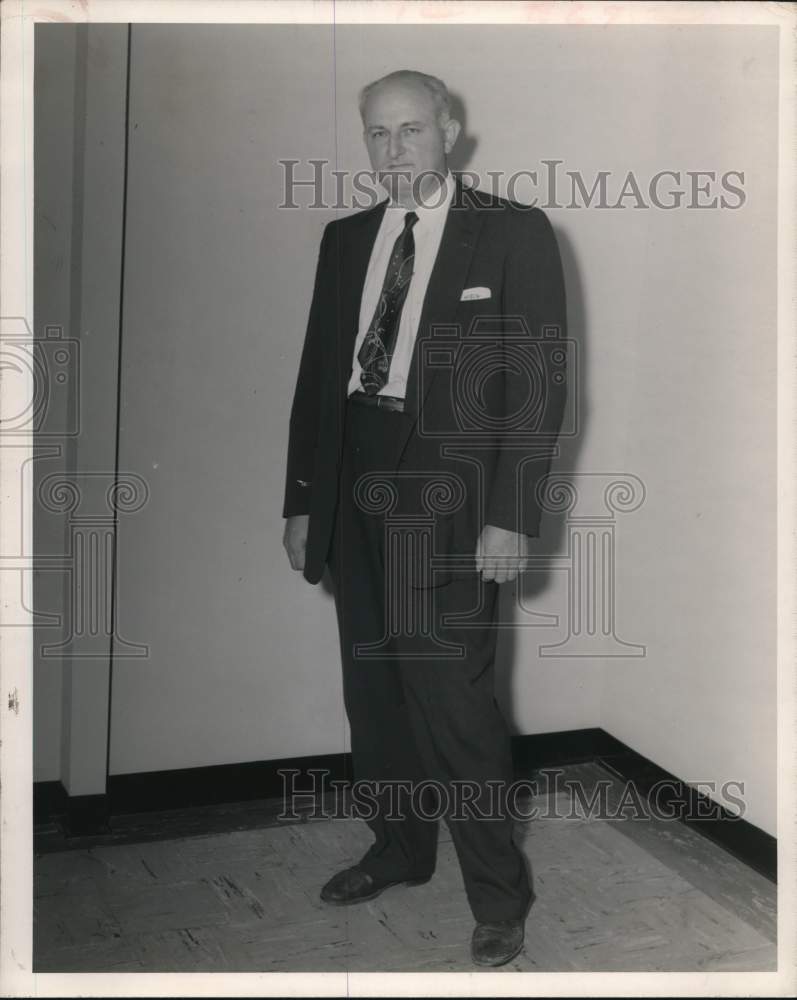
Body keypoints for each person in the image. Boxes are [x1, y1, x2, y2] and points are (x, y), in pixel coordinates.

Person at [282, 69, 567, 967]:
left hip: (452, 497)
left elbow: (538, 389)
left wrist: (510, 515)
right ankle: (399, 851)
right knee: (375, 692)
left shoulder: (513, 232)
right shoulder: (344, 239)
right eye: (378, 132)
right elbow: (316, 380)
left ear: (449, 131)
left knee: (454, 702)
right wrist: (303, 502)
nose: (393, 148)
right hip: (353, 483)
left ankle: (498, 896)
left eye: (410, 129)